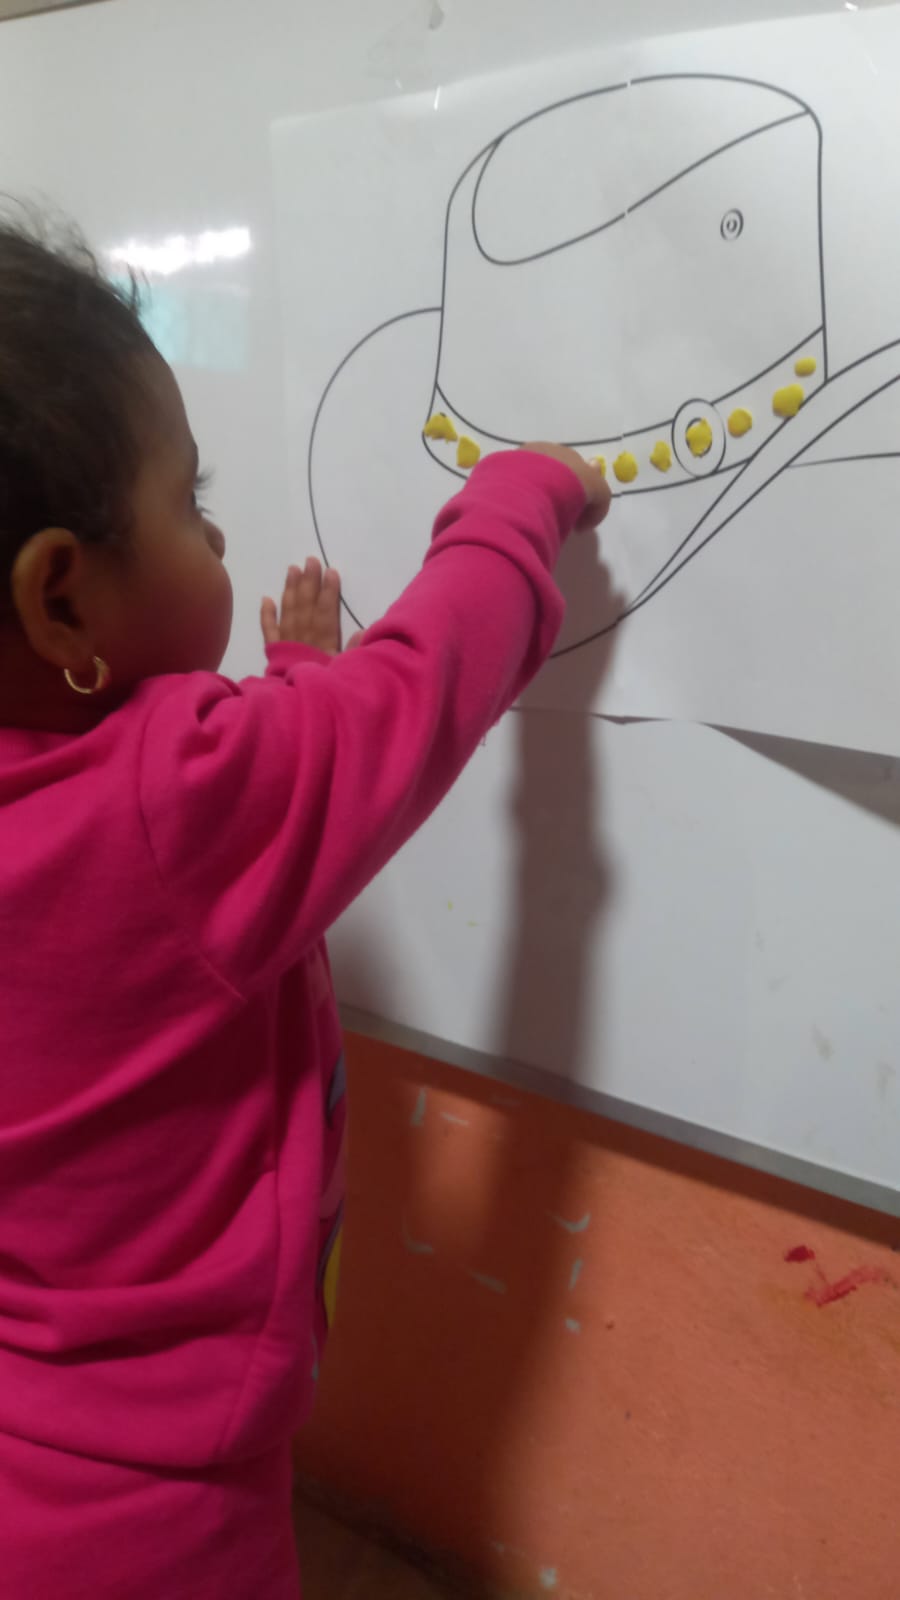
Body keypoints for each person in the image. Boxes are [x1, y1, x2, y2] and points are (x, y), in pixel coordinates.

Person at [0, 213, 610, 1598]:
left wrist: (287, 691)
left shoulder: (142, 810)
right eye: (191, 503)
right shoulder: (176, 807)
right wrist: (520, 495)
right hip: (156, 1518)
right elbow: (422, 681)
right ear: (60, 602)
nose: (218, 532)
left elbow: (174, 901)